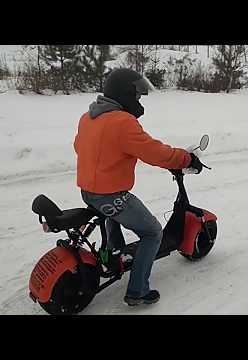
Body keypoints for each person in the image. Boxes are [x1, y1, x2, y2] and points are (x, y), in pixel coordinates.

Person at [74, 68, 202, 306]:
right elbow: (154, 153)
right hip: (111, 195)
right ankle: (138, 290)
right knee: (153, 232)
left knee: (111, 216)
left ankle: (117, 254)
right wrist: (186, 158)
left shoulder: (88, 117)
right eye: (137, 95)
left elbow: (79, 147)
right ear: (125, 94)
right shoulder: (122, 122)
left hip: (88, 192)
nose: (139, 100)